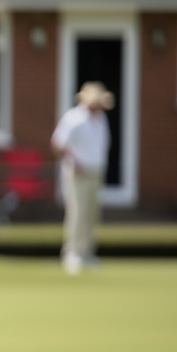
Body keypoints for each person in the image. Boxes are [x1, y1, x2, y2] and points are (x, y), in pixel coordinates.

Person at [51, 82, 112, 275]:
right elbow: (58, 143)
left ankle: (86, 253)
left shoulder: (101, 118)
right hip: (77, 172)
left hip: (96, 171)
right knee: (77, 212)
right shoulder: (73, 118)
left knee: (91, 213)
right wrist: (74, 160)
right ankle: (72, 254)